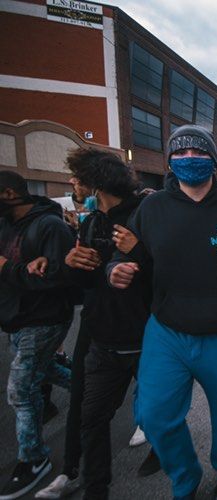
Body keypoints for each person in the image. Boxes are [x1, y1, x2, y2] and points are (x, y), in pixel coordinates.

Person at [108, 125, 217, 500]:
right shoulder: (152, 207)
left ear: (214, 160)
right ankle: (185, 476)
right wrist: (116, 269)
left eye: (199, 152)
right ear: (170, 160)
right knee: (154, 415)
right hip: (168, 331)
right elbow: (128, 254)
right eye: (182, 153)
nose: (190, 159)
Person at [31, 149, 151, 499]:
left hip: (145, 333)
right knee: (87, 415)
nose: (72, 183)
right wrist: (70, 262)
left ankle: (168, 459)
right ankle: (80, 478)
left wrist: (138, 253)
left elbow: (165, 274)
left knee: (160, 413)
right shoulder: (90, 222)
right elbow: (84, 283)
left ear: (96, 181)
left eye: (77, 178)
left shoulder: (144, 216)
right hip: (98, 333)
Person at [0, 171, 74, 500]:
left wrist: (8, 268)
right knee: (43, 371)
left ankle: (33, 458)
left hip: (44, 319)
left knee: (20, 389)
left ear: (9, 193)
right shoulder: (6, 226)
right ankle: (91, 388)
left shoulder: (50, 227)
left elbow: (58, 279)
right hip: (15, 318)